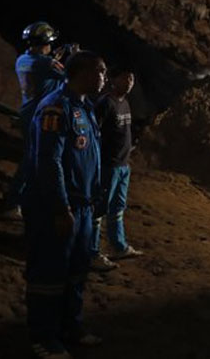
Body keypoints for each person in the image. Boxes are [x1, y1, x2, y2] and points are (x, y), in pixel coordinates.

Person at [24, 51, 107, 359]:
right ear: (82, 73)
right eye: (100, 71)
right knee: (49, 273)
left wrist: (94, 199)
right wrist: (61, 208)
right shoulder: (56, 108)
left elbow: (88, 157)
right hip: (56, 207)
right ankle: (44, 337)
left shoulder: (85, 108)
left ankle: (71, 326)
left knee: (76, 272)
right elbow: (49, 162)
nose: (103, 78)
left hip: (82, 206)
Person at [3, 22, 70, 219]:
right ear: (45, 43)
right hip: (42, 117)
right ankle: (14, 203)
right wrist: (73, 56)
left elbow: (43, 69)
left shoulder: (22, 60)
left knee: (33, 159)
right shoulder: (46, 64)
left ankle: (22, 201)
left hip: (27, 113)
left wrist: (52, 58)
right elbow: (70, 76)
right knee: (38, 160)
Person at [89, 69, 143, 272]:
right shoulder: (105, 103)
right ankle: (91, 253)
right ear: (113, 79)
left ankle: (119, 246)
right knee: (99, 209)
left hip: (122, 166)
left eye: (132, 78)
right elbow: (94, 133)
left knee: (118, 207)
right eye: (125, 77)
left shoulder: (125, 103)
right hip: (108, 165)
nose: (129, 81)